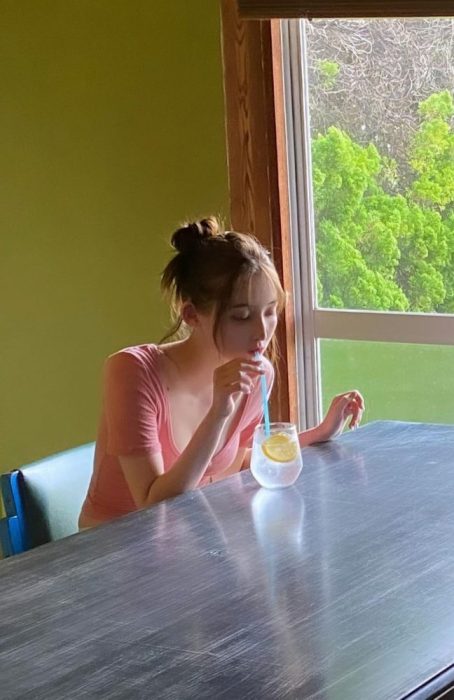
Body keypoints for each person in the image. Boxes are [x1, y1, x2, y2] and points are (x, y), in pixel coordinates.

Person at [79, 217, 364, 529]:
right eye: (241, 316)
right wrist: (218, 413)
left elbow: (239, 463)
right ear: (191, 315)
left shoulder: (257, 375)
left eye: (270, 312)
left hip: (190, 540)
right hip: (115, 547)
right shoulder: (133, 372)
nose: (262, 332)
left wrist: (320, 432)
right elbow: (153, 504)